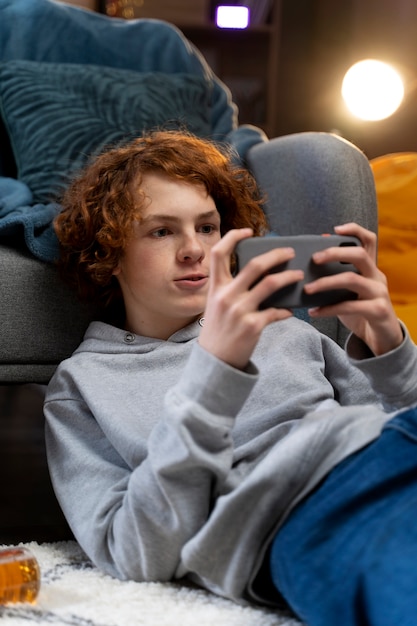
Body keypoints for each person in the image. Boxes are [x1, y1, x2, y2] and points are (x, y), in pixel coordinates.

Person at [44, 129, 417, 626]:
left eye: (207, 227)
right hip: (299, 516)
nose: (194, 249)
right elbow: (134, 553)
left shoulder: (285, 332)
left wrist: (388, 344)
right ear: (108, 252)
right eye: (161, 231)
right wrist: (214, 376)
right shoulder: (85, 384)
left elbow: (395, 420)